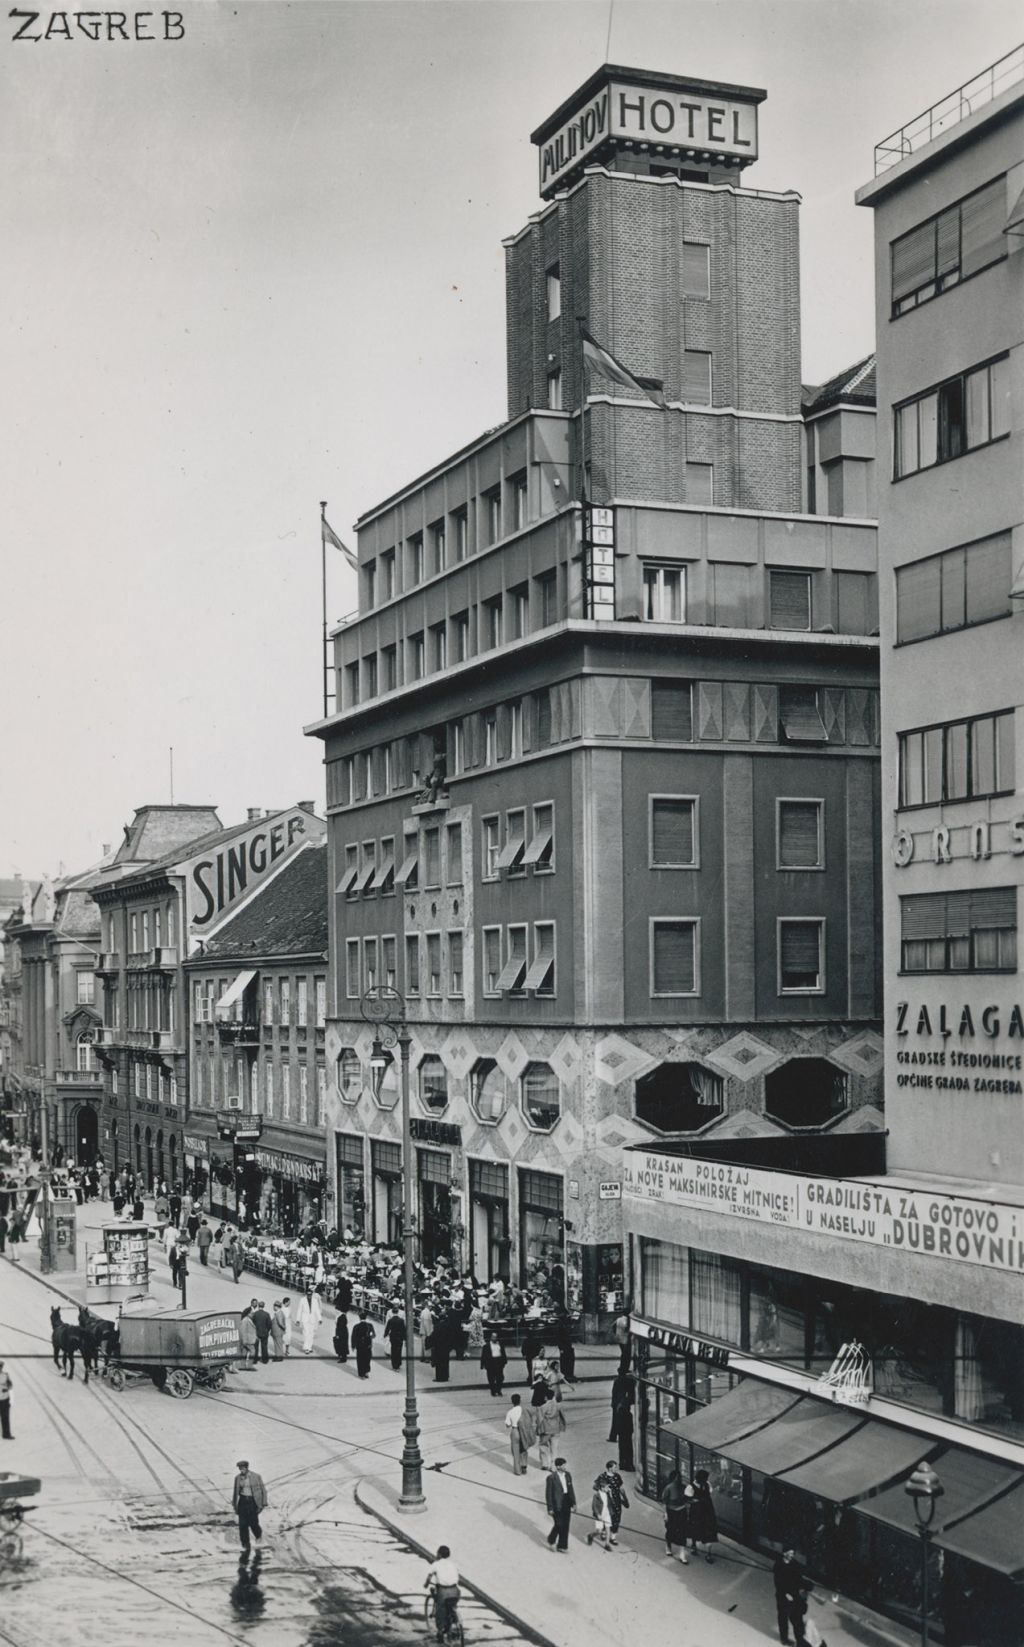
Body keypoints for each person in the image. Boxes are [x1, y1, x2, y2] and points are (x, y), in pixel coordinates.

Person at [423, 1544, 461, 1644]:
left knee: (440, 1610)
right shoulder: (454, 1564)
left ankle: (440, 1632)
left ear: (439, 1554)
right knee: (452, 1605)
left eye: (437, 1553)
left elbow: (429, 1577)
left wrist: (426, 1584)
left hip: (443, 1591)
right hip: (455, 1591)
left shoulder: (436, 1564)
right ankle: (454, 1617)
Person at [773, 1549, 810, 1647]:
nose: (791, 1555)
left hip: (794, 1595)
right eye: (789, 1553)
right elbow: (778, 1583)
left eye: (793, 1553)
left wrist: (807, 1585)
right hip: (783, 1597)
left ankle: (801, 1642)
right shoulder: (778, 1565)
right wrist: (785, 1594)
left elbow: (799, 1579)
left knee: (797, 1619)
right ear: (784, 1553)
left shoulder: (795, 1564)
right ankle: (784, 1639)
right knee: (783, 1618)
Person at [232, 1460, 268, 1558]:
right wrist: (234, 1505)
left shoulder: (256, 1476)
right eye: (240, 1468)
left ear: (247, 1468)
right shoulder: (237, 1478)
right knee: (243, 1525)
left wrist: (263, 1503)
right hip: (243, 1502)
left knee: (253, 1523)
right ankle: (245, 1545)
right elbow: (235, 1492)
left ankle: (258, 1535)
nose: (241, 1470)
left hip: (253, 1502)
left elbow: (263, 1490)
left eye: (242, 1468)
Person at [545, 1457, 576, 1553]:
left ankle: (562, 1545)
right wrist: (550, 1508)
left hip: (566, 1501)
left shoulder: (568, 1475)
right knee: (559, 1523)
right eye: (563, 1465)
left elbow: (571, 1489)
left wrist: (574, 1503)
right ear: (558, 1467)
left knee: (566, 1524)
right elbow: (548, 1494)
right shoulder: (551, 1478)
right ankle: (551, 1539)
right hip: (556, 1503)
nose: (565, 1467)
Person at [595, 1462, 629, 1545]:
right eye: (615, 1467)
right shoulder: (602, 1477)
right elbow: (595, 1486)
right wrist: (604, 1490)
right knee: (606, 1516)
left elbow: (621, 1488)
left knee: (616, 1518)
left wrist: (625, 1499)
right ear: (610, 1468)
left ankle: (613, 1537)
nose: (616, 1469)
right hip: (606, 1501)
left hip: (616, 1501)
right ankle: (603, 1532)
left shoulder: (617, 1476)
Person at [662, 1467, 690, 1561]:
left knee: (683, 1532)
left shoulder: (684, 1487)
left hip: (681, 1511)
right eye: (678, 1477)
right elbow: (664, 1502)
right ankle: (668, 1546)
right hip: (671, 1512)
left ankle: (682, 1553)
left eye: (680, 1477)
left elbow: (687, 1501)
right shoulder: (668, 1488)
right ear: (674, 1477)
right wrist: (665, 1513)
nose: (680, 1479)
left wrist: (687, 1511)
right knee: (670, 1530)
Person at [690, 1467, 718, 1562]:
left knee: (695, 1526)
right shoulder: (707, 1485)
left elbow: (689, 1498)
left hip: (697, 1509)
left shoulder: (692, 1486)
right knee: (708, 1528)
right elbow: (710, 1491)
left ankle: (694, 1546)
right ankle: (708, 1553)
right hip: (707, 1509)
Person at [535, 1388, 562, 1470]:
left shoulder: (542, 1407)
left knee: (543, 1446)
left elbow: (539, 1420)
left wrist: (537, 1429)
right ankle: (554, 1466)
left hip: (546, 1429)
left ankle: (545, 1464)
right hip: (556, 1428)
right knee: (554, 1447)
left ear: (546, 1397)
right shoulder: (558, 1405)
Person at [504, 1393, 529, 1474]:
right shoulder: (524, 1410)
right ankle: (524, 1465)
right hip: (524, 1430)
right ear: (520, 1400)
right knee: (524, 1448)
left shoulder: (510, 1412)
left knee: (515, 1451)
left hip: (515, 1431)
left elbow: (508, 1425)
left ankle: (517, 1470)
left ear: (512, 1402)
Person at [295, 1287, 323, 1355]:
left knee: (311, 1333)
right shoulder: (302, 1300)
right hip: (305, 1318)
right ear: (306, 1294)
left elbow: (317, 1310)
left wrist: (320, 1319)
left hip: (312, 1318)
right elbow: (299, 1310)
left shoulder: (315, 1300)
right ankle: (306, 1348)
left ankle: (310, 1347)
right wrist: (298, 1320)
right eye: (308, 1294)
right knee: (306, 1333)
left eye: (310, 1294)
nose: (309, 1296)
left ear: (312, 1294)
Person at [587, 1478, 612, 1550]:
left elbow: (611, 1503)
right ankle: (591, 1535)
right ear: (602, 1488)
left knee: (608, 1528)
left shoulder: (607, 1494)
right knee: (599, 1531)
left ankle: (607, 1544)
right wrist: (598, 1514)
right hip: (600, 1514)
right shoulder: (596, 1495)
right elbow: (594, 1506)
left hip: (607, 1513)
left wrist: (610, 1494)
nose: (608, 1489)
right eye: (607, 1487)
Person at [481, 1331, 507, 1396]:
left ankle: (498, 1390)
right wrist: (482, 1364)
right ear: (491, 1338)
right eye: (493, 1337)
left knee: (500, 1378)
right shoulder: (486, 1346)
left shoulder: (500, 1345)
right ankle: (493, 1391)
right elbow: (483, 1356)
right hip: (491, 1362)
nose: (494, 1338)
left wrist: (504, 1362)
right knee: (491, 1378)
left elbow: (503, 1353)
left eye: (495, 1337)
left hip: (499, 1362)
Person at [351, 1310, 375, 1378]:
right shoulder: (370, 1325)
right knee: (367, 1358)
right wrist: (369, 1337)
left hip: (360, 1345)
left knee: (360, 1359)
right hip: (368, 1344)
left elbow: (353, 1337)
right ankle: (367, 1371)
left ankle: (361, 1374)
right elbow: (373, 1335)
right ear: (366, 1317)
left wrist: (353, 1346)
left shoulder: (356, 1326)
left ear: (359, 1318)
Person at [383, 1305, 406, 1371]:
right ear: (398, 1312)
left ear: (392, 1312)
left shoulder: (390, 1320)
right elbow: (403, 1329)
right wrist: (405, 1338)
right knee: (399, 1351)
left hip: (393, 1337)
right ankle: (398, 1364)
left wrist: (385, 1335)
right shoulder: (401, 1320)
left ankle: (394, 1365)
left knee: (393, 1350)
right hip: (399, 1337)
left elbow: (387, 1329)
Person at [555, 1318, 576, 1384]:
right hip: (564, 1347)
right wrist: (561, 1348)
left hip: (568, 1346)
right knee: (564, 1361)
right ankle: (565, 1375)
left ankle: (569, 1374)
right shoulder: (560, 1327)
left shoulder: (565, 1326)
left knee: (570, 1360)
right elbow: (558, 1339)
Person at [251, 1301, 272, 1365]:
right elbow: (269, 1324)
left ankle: (255, 1360)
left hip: (256, 1332)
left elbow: (252, 1323)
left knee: (255, 1347)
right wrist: (267, 1330)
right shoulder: (267, 1314)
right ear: (264, 1306)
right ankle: (265, 1360)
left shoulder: (255, 1314)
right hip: (264, 1332)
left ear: (258, 1306)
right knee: (264, 1346)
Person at [613, 1309, 631, 1373]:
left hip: (619, 1338)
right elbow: (627, 1329)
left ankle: (622, 1367)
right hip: (625, 1339)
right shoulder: (627, 1320)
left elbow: (613, 1326)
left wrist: (616, 1333)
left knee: (623, 1354)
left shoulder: (618, 1319)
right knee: (626, 1355)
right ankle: (624, 1368)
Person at [0, 1361, 12, 1439]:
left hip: (4, 1399)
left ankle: (6, 1434)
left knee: (5, 1417)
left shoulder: (6, 1375)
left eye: (1, 1367)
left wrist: (7, 1386)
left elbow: (10, 1386)